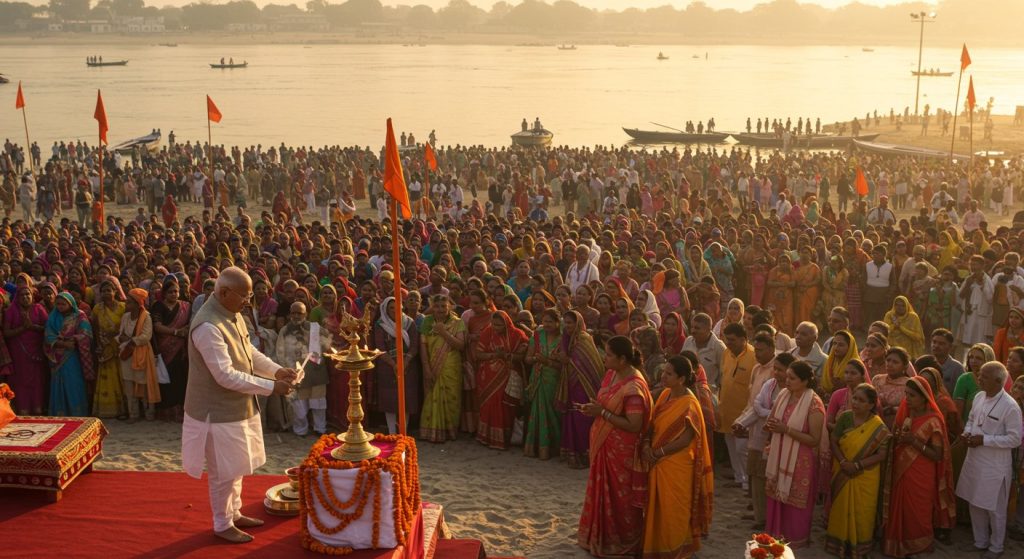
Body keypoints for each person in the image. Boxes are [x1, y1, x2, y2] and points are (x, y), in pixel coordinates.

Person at [180, 267, 298, 544]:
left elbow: (249, 352)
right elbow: (225, 375)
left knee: (236, 465)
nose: (249, 301)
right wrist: (272, 387)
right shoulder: (208, 326)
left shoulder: (232, 315)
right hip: (216, 411)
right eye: (244, 296)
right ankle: (222, 523)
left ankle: (234, 513)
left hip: (237, 407)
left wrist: (276, 371)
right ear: (223, 293)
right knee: (223, 471)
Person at [577, 336, 653, 558]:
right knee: (603, 492)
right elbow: (606, 403)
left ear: (622, 359)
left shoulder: (634, 387)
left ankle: (621, 540)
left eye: (609, 354)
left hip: (622, 452)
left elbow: (634, 424)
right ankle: (599, 535)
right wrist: (595, 408)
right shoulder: (612, 374)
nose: (604, 357)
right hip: (605, 445)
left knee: (621, 497)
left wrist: (601, 413)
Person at [640, 356, 713, 559]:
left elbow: (686, 439)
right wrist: (647, 445)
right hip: (657, 461)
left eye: (669, 373)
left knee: (675, 509)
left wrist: (658, 453)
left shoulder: (690, 403)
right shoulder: (665, 395)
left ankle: (676, 549)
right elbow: (653, 424)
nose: (663, 376)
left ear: (681, 379)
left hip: (676, 463)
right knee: (658, 508)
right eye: (664, 371)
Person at [881, 375, 955, 558]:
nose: (908, 399)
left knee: (918, 509)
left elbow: (937, 455)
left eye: (912, 395)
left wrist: (914, 441)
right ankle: (898, 542)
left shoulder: (933, 421)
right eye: (906, 394)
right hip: (902, 468)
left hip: (921, 472)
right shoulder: (906, 416)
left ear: (924, 397)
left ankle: (919, 543)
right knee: (900, 506)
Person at [957, 361, 1023, 558]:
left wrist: (984, 440)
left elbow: (1015, 439)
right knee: (975, 502)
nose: (979, 379)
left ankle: (996, 547)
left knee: (995, 509)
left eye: (984, 377)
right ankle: (980, 541)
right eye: (980, 375)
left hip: (995, 467)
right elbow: (971, 420)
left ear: (998, 381)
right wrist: (967, 433)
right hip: (974, 460)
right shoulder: (978, 396)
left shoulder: (1010, 407)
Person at [764, 360, 826, 548]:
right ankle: (775, 534)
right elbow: (774, 420)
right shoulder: (784, 395)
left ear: (805, 381)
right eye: (787, 376)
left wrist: (786, 430)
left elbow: (814, 439)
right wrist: (771, 427)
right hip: (780, 453)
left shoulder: (814, 404)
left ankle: (796, 539)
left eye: (792, 378)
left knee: (796, 500)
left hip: (802, 460)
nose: (787, 380)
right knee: (777, 495)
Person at [825, 383, 891, 559]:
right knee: (840, 506)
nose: (856, 403)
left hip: (865, 474)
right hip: (842, 469)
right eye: (854, 398)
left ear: (871, 405)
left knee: (863, 511)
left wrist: (857, 465)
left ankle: (859, 547)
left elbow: (882, 454)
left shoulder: (878, 427)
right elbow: (834, 440)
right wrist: (844, 461)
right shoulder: (845, 418)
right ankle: (837, 544)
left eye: (861, 400)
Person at [474, 310, 528, 449]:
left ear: (507, 324)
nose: (496, 328)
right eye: (494, 324)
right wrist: (494, 355)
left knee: (505, 405)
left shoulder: (517, 335)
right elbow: (479, 354)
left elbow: (522, 356)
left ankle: (504, 438)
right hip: (489, 376)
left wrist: (506, 356)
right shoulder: (488, 332)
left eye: (499, 325)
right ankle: (486, 437)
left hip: (509, 377)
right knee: (489, 403)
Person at [277, 301, 332, 437]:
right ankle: (300, 430)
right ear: (290, 314)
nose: (296, 316)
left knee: (318, 402)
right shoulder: (285, 330)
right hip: (296, 372)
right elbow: (280, 351)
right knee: (299, 405)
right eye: (293, 313)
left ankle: (320, 429)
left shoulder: (314, 327)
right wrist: (286, 368)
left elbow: (327, 343)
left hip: (316, 371)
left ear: (305, 314)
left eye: (299, 313)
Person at [557, 310, 603, 469]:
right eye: (566, 322)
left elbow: (587, 363)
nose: (568, 326)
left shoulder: (584, 339)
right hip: (570, 383)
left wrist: (567, 360)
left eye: (571, 323)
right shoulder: (565, 338)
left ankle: (586, 454)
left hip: (584, 385)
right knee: (571, 416)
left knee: (582, 418)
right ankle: (573, 453)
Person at [419, 294, 466, 443]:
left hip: (451, 367)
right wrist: (426, 368)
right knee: (431, 396)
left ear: (449, 307)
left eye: (443, 306)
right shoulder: (427, 322)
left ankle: (448, 431)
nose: (440, 310)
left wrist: (443, 332)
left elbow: (460, 345)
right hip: (432, 366)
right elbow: (423, 347)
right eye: (437, 306)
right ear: (432, 307)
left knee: (451, 397)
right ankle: (430, 432)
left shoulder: (457, 323)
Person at [719, 323, 755, 491]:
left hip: (744, 412)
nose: (728, 343)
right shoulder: (726, 353)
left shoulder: (754, 356)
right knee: (731, 445)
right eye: (727, 340)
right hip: (726, 410)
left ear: (743, 339)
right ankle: (738, 477)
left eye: (732, 340)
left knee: (742, 449)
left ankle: (748, 482)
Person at [44, 292, 93, 417]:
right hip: (57, 357)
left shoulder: (79, 316)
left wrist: (74, 338)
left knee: (74, 382)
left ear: (70, 304)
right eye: (58, 304)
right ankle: (60, 413)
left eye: (63, 304)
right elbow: (48, 335)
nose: (60, 307)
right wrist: (63, 343)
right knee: (58, 383)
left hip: (72, 355)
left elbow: (86, 334)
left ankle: (77, 413)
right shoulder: (53, 316)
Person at [2, 285, 49, 415]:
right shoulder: (11, 311)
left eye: (28, 294)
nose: (25, 297)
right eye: (22, 295)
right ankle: (22, 410)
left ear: (32, 296)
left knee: (38, 381)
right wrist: (23, 328)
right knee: (20, 381)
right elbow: (6, 333)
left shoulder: (39, 309)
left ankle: (38, 409)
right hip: (19, 354)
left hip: (36, 351)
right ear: (17, 297)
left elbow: (47, 328)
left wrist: (32, 327)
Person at [523, 309, 562, 459]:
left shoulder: (563, 339)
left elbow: (564, 365)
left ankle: (554, 448)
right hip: (538, 379)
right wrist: (535, 360)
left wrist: (547, 362)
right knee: (537, 412)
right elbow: (528, 358)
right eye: (544, 321)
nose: (547, 325)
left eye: (550, 322)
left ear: (558, 323)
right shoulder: (537, 337)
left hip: (553, 381)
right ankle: (537, 448)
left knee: (553, 412)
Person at [119, 288, 161, 422]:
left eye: (130, 303)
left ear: (138, 304)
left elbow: (145, 337)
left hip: (141, 353)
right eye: (127, 302)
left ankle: (149, 413)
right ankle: (133, 414)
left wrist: (130, 340)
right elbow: (121, 334)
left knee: (143, 383)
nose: (127, 305)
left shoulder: (146, 317)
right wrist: (121, 338)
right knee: (129, 384)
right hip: (126, 354)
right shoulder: (125, 317)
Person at [91, 279, 126, 418]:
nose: (106, 293)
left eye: (109, 290)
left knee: (121, 376)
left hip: (120, 345)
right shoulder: (97, 309)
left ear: (115, 292)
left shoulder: (123, 307)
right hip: (105, 346)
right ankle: (107, 410)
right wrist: (99, 344)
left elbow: (127, 327)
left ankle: (123, 409)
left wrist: (116, 335)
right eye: (103, 291)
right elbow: (95, 328)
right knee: (107, 377)